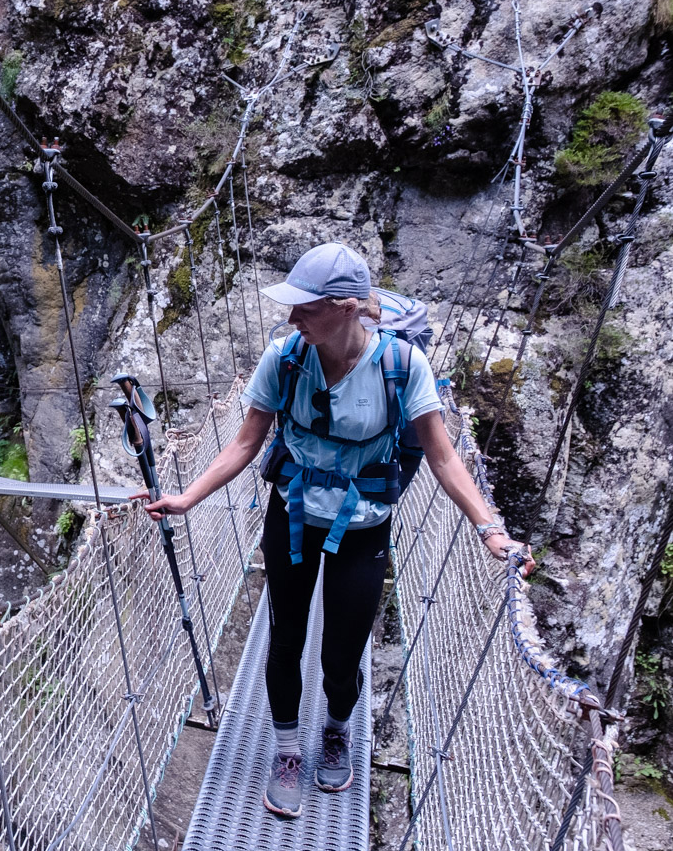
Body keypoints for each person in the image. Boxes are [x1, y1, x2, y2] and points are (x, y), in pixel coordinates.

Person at [131, 242, 527, 819]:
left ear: (345, 307)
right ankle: (288, 748)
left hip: (364, 528)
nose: (292, 318)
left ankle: (337, 728)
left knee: (343, 655)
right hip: (291, 517)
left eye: (305, 308)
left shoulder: (401, 367)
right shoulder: (286, 357)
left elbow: (444, 458)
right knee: (285, 639)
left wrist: (490, 529)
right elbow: (245, 442)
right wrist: (187, 498)